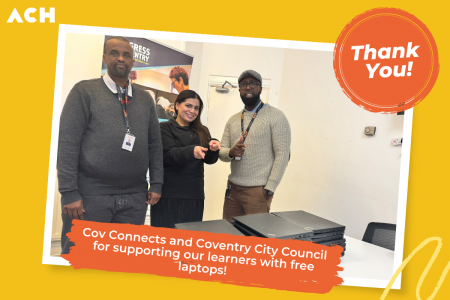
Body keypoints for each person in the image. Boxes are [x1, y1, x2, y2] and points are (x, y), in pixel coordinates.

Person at [57, 36, 163, 254]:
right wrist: (69, 192)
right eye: (114, 53)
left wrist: (158, 182)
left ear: (133, 62)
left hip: (135, 198)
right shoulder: (84, 92)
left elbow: (155, 143)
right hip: (90, 197)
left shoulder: (145, 99)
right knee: (80, 258)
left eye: (126, 55)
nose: (121, 58)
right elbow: (67, 144)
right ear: (105, 58)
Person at [219, 70, 291, 222]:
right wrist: (231, 152)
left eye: (253, 83)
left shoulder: (276, 116)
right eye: (244, 84)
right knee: (228, 234)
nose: (248, 87)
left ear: (260, 88)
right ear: (239, 90)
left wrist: (270, 188)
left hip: (258, 191)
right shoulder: (232, 120)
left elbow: (283, 154)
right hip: (232, 189)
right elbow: (222, 151)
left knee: (254, 238)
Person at [152, 90, 221, 228]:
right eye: (188, 106)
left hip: (194, 195)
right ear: (177, 105)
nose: (192, 111)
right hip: (169, 195)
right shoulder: (164, 128)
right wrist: (192, 151)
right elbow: (169, 155)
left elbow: (209, 160)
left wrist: (213, 149)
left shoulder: (202, 131)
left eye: (196, 108)